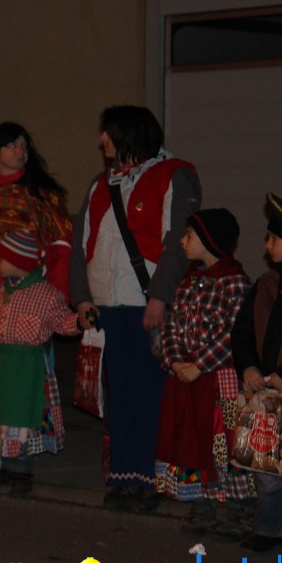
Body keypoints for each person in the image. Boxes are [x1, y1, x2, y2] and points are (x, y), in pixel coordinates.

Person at [70, 105, 202, 513]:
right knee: (119, 395)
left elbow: (177, 242)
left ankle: (147, 479)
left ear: (127, 133)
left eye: (107, 133)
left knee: (149, 395)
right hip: (107, 307)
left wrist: (160, 296)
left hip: (145, 304)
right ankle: (124, 477)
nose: (101, 141)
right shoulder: (100, 184)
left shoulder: (174, 174)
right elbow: (81, 245)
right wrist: (82, 298)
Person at [153, 209, 253, 536]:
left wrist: (199, 365)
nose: (182, 241)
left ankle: (240, 512)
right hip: (188, 377)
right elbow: (171, 326)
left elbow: (234, 333)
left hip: (218, 378)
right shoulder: (189, 280)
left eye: (190, 236)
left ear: (209, 241)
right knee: (193, 439)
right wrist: (177, 362)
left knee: (225, 443)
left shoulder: (235, 282)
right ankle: (203, 504)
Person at [0, 229, 82, 496]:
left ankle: (22, 468)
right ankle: (4, 464)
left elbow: (60, 321)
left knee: (21, 418)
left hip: (25, 367)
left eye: (1, 258)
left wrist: (78, 321)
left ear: (19, 261)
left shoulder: (45, 294)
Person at [231, 192, 282, 555]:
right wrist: (248, 365)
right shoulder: (265, 284)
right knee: (268, 468)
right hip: (268, 395)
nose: (266, 244)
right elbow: (242, 330)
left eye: (273, 237)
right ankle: (270, 529)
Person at [0, 122, 73, 346]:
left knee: (26, 369)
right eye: (12, 145)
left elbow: (61, 248)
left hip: (31, 301)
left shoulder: (41, 196)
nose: (20, 151)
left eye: (23, 146)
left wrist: (58, 299)